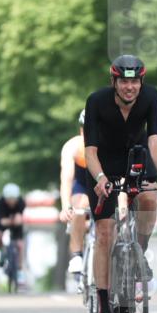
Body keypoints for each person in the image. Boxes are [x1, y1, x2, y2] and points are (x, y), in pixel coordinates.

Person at [84, 55, 157, 313]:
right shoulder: (96, 101)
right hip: (103, 163)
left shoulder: (151, 97)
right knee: (104, 232)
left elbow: (155, 138)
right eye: (124, 81)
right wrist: (100, 179)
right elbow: (89, 150)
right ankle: (103, 309)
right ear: (114, 82)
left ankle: (139, 251)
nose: (130, 87)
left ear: (142, 82)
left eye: (135, 81)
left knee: (150, 198)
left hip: (135, 157)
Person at [59, 109, 92, 284]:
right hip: (82, 183)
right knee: (80, 205)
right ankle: (77, 255)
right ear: (81, 130)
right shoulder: (72, 147)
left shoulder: (112, 143)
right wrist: (65, 207)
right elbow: (66, 179)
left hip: (104, 180)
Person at [0, 182, 25, 278]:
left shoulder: (21, 202)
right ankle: (2, 250)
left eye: (13, 200)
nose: (11, 202)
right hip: (3, 221)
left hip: (16, 224)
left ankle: (19, 265)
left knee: (19, 243)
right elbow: (1, 221)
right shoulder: (0, 203)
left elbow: (20, 218)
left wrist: (15, 220)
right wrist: (10, 221)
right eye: (9, 200)